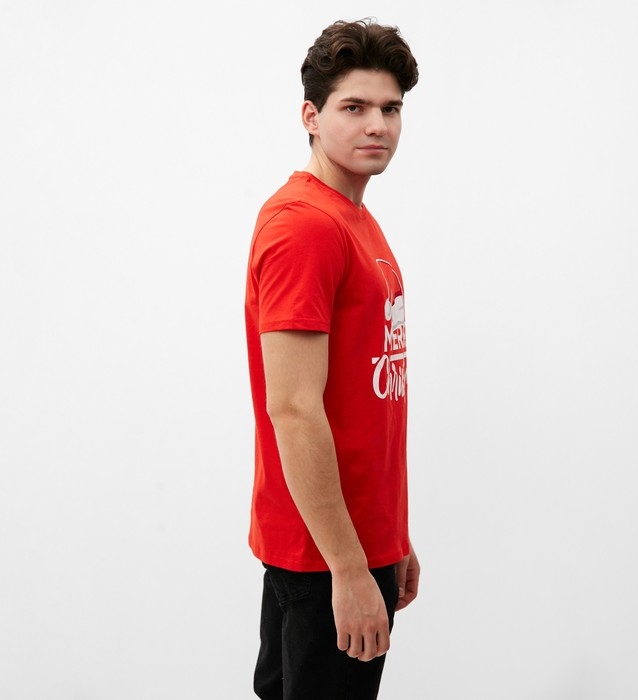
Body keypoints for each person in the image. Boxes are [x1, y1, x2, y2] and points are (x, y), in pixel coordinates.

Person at [244, 18, 420, 700]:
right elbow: (293, 409)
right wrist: (348, 568)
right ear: (311, 117)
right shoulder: (306, 227)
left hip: (354, 541)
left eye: (391, 108)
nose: (377, 125)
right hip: (324, 558)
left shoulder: (353, 216)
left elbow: (366, 394)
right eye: (354, 107)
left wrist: (391, 537)